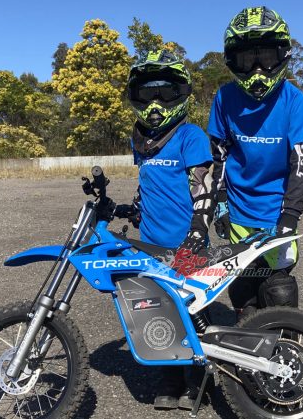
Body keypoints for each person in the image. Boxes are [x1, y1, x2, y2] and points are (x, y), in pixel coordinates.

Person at [113, 49, 213, 410]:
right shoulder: (139, 139)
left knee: (193, 312)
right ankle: (170, 380)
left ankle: (199, 381)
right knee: (158, 311)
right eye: (147, 93)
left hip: (187, 241)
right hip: (151, 244)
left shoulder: (190, 136)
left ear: (179, 94)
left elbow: (205, 187)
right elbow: (146, 182)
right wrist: (132, 209)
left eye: (165, 93)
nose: (155, 103)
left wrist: (199, 230)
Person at [208, 6, 303, 319]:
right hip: (238, 213)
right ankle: (247, 353)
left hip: (276, 211)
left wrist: (290, 215)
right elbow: (216, 157)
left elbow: (302, 161)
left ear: (281, 55)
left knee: (278, 289)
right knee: (243, 288)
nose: (257, 70)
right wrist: (220, 204)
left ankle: (280, 350)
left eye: (266, 58)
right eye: (246, 60)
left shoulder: (292, 98)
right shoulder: (224, 97)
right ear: (233, 61)